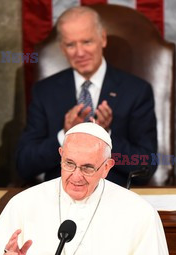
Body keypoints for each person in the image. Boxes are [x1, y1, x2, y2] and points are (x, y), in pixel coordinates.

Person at [0, 123, 174, 255]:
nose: (76, 176)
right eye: (69, 164)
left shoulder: (138, 212)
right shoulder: (23, 204)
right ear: (60, 155)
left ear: (106, 167)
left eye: (88, 168)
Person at [16, 6, 157, 187]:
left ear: (103, 39)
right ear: (62, 48)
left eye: (87, 42)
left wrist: (106, 136)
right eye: (71, 45)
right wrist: (65, 136)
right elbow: (24, 164)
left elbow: (147, 165)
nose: (80, 52)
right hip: (58, 201)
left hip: (113, 199)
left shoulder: (137, 91)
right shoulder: (44, 91)